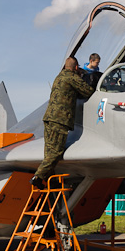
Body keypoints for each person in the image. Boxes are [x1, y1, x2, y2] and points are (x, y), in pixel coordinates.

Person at [32, 57, 95, 189]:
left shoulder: (59, 77)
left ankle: (51, 181)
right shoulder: (71, 77)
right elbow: (88, 91)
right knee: (56, 152)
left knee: (48, 152)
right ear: (76, 67)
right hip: (59, 120)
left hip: (49, 118)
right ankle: (38, 177)